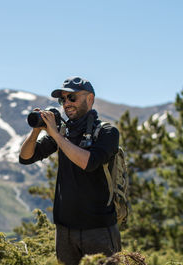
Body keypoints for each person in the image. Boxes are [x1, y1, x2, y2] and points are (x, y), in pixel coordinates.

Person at [19, 76, 121, 265]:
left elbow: (88, 162)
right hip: (65, 230)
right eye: (62, 99)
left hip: (98, 230)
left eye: (72, 98)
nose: (66, 104)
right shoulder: (63, 133)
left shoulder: (106, 132)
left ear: (89, 99)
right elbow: (25, 158)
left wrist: (56, 135)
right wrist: (37, 130)